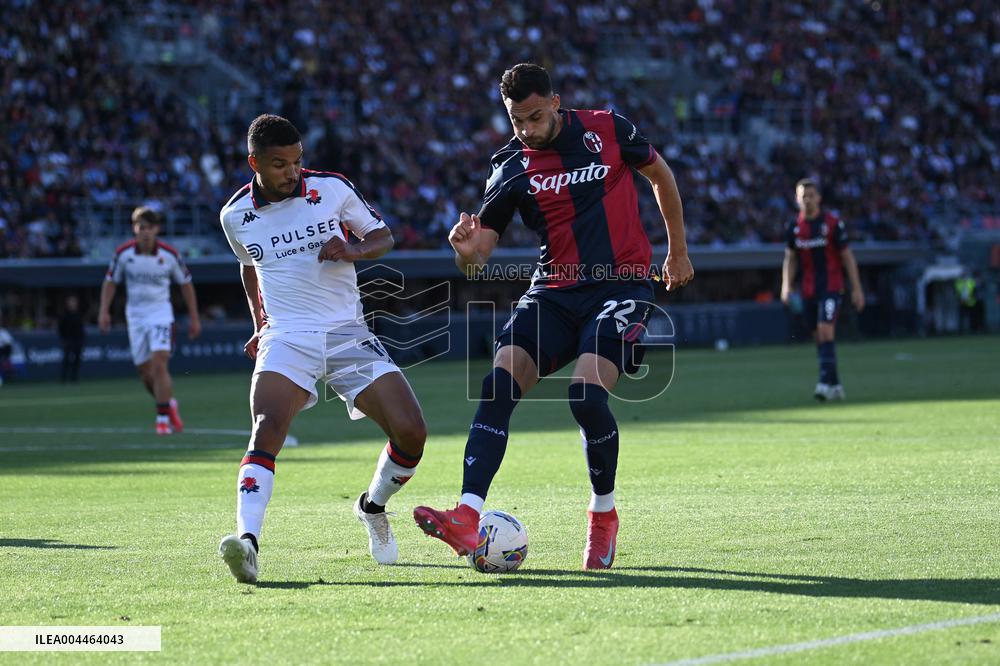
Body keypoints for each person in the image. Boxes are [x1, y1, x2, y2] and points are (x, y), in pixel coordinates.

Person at [413, 63, 693, 570]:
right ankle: (467, 514)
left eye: (535, 117)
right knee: (497, 385)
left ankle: (603, 516)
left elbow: (660, 175)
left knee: (585, 398)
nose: (527, 129)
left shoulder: (608, 129)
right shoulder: (511, 166)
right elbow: (479, 256)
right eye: (517, 120)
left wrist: (677, 251)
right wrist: (465, 250)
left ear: (557, 102)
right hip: (553, 292)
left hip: (622, 281)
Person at [216, 114, 427, 583]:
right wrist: (259, 323)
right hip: (287, 334)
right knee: (267, 427)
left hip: (347, 331)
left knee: (412, 432)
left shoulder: (330, 188)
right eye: (278, 164)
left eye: (296, 161)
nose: (291, 172)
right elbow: (249, 268)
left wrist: (353, 251)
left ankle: (372, 507)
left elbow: (383, 236)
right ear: (254, 163)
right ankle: (247, 544)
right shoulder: (235, 216)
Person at [98, 208, 201, 433]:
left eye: (150, 227)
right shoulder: (124, 254)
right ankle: (168, 404)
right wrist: (104, 310)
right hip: (135, 316)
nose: (145, 232)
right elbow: (110, 281)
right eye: (141, 227)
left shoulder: (169, 255)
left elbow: (185, 284)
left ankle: (162, 420)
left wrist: (194, 317)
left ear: (157, 229)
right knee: (145, 372)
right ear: (134, 228)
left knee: (159, 362)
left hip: (161, 314)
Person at [780, 179, 864, 401]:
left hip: (832, 287)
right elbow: (790, 258)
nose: (807, 199)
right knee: (819, 337)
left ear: (819, 198)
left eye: (811, 195)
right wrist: (786, 285)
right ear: (797, 199)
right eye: (803, 196)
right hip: (808, 289)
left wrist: (857, 288)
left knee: (826, 331)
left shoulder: (832, 223)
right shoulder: (794, 228)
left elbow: (847, 257)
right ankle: (835, 384)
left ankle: (824, 383)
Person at [58, 295, 86, 383]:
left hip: (78, 340)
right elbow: (60, 328)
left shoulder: (78, 314)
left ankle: (74, 378)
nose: (73, 304)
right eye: (71, 302)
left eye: (74, 302)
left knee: (77, 360)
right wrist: (64, 339)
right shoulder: (64, 315)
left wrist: (82, 339)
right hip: (68, 340)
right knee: (66, 359)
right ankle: (63, 378)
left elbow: (81, 328)